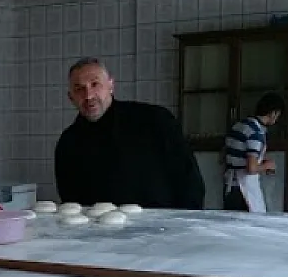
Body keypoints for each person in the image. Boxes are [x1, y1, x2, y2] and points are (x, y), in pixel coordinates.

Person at [54, 57, 204, 209]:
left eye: (95, 84)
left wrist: (184, 226)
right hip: (99, 230)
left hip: (160, 228)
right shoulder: (68, 143)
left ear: (111, 85)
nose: (88, 95)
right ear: (71, 97)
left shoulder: (155, 120)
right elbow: (71, 204)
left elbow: (190, 183)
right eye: (79, 89)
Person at [223, 92, 285, 212]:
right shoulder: (256, 133)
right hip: (242, 190)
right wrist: (267, 165)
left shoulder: (239, 125)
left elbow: (225, 155)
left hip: (229, 186)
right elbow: (251, 168)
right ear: (273, 113)